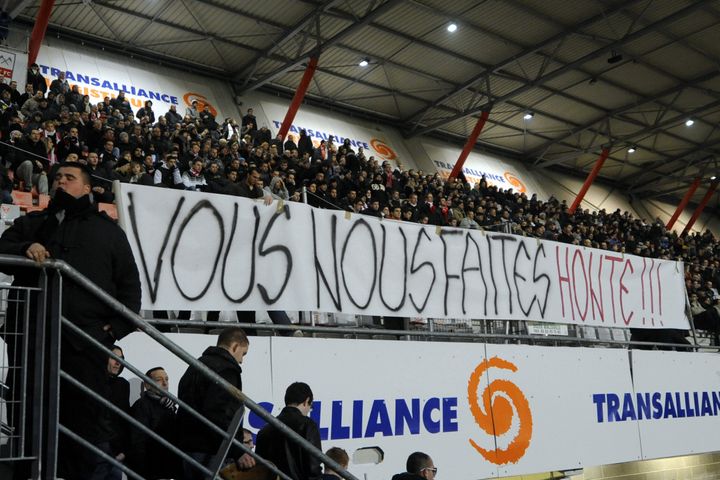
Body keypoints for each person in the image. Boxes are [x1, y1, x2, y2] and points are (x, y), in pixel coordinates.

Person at [0, 162, 142, 479]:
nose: (61, 181)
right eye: (57, 178)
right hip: (30, 345)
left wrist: (113, 331)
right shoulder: (33, 223)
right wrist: (26, 247)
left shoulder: (110, 233)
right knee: (28, 423)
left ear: (87, 188)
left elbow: (131, 295)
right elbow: (2, 247)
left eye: (69, 178)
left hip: (85, 349)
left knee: (82, 427)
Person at [176, 327, 255, 480]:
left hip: (187, 448)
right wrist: (237, 451)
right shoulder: (227, 370)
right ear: (235, 346)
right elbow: (222, 414)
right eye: (243, 354)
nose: (241, 360)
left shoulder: (195, 366)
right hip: (211, 452)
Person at [256, 382, 322, 480]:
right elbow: (313, 467)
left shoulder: (265, 430)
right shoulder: (308, 425)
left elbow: (260, 468)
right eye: (310, 406)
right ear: (306, 401)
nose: (309, 410)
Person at [129, 366, 180, 479]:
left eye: (166, 379)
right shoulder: (142, 405)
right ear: (147, 385)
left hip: (167, 469)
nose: (165, 383)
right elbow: (138, 442)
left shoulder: (170, 406)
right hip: (151, 471)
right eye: (159, 379)